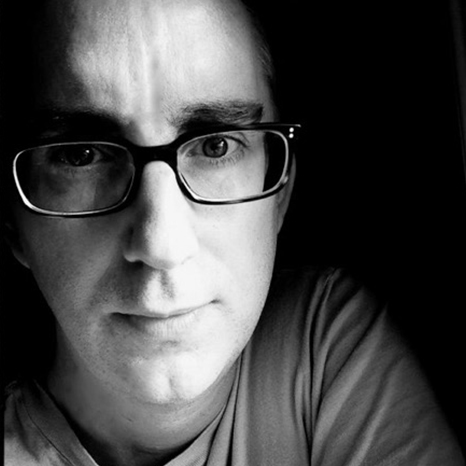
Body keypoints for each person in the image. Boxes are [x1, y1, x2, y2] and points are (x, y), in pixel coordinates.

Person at [2, 0, 464, 465]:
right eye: (80, 155)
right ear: (12, 220)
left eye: (215, 146)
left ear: (279, 191)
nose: (163, 245)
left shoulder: (323, 344)